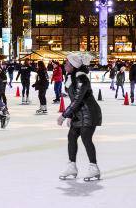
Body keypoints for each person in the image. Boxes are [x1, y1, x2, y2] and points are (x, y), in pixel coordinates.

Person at [57, 52, 102, 181]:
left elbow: (77, 99)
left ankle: (94, 168)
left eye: (67, 63)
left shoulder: (81, 78)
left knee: (86, 138)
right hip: (79, 113)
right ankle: (72, 166)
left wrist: (65, 115)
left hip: (90, 113)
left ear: (73, 65)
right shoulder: (71, 78)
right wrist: (71, 116)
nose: (65, 65)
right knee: (71, 136)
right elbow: (74, 100)